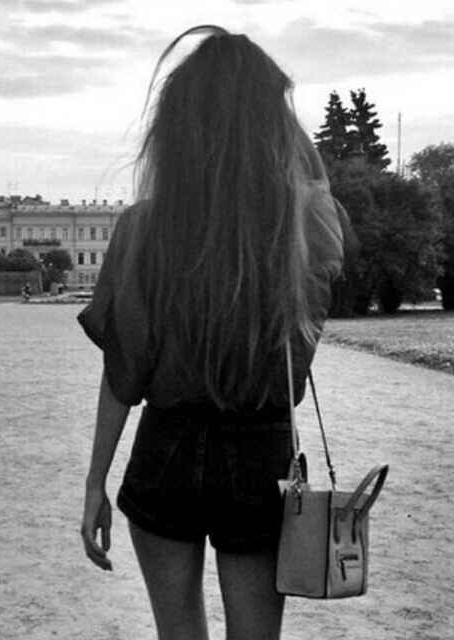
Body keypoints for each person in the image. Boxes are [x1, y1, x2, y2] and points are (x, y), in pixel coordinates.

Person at [78, 26, 351, 640]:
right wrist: (269, 108)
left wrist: (95, 482)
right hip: (261, 455)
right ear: (273, 126)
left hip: (166, 451)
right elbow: (316, 183)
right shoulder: (303, 228)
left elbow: (124, 372)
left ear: (174, 126)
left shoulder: (142, 229)